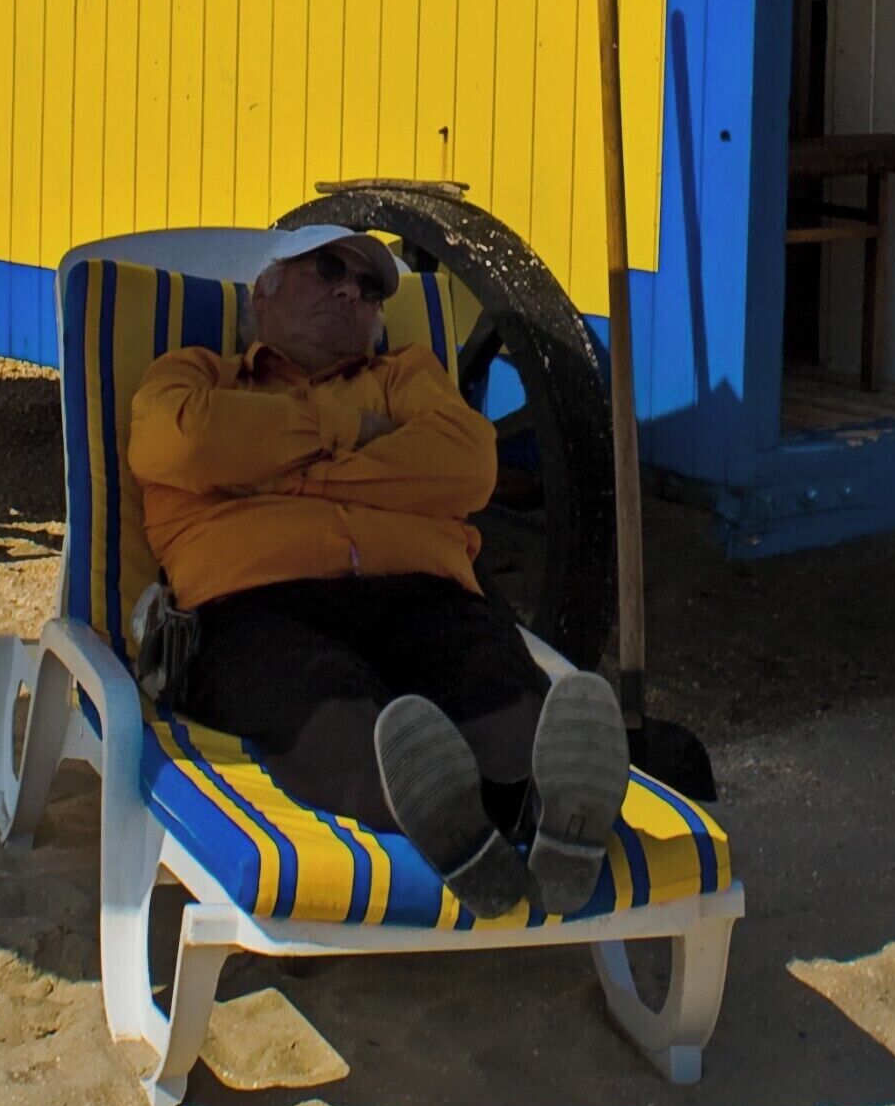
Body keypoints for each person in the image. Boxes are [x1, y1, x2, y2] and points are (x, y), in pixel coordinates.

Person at [127, 231, 631, 918]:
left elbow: (468, 467)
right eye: (328, 269)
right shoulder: (196, 375)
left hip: (424, 596)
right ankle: (491, 824)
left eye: (368, 289)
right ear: (264, 291)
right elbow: (184, 441)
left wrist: (283, 473)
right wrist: (350, 432)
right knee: (331, 704)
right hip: (251, 607)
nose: (350, 291)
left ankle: (540, 818)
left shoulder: (405, 375)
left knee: (490, 684)